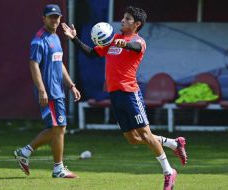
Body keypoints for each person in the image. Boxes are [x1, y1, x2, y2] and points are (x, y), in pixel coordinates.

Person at [62, 6, 187, 189]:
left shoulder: (139, 42)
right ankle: (174, 143)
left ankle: (169, 172)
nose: (122, 20)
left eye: (127, 19)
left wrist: (125, 44)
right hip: (115, 95)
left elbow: (135, 47)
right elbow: (91, 53)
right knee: (132, 139)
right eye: (123, 17)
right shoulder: (113, 40)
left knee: (145, 134)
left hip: (130, 94)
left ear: (136, 24)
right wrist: (74, 39)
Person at [14, 4, 81, 178]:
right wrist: (42, 90)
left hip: (58, 91)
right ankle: (58, 168)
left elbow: (60, 64)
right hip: (49, 92)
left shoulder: (56, 38)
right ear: (43, 18)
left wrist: (71, 85)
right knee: (59, 128)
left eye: (57, 17)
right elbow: (33, 64)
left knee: (57, 129)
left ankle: (25, 152)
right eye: (51, 16)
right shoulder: (39, 39)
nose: (55, 20)